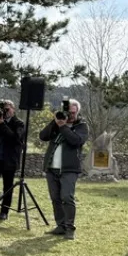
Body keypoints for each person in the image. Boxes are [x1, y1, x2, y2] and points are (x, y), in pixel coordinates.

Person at [40, 99, 88, 240]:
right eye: (69, 112)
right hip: (52, 167)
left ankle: (69, 228)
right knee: (55, 198)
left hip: (69, 169)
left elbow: (76, 141)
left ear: (77, 112)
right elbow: (43, 136)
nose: (71, 115)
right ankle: (60, 225)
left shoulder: (81, 126)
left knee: (67, 197)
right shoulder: (56, 124)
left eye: (73, 112)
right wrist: (55, 122)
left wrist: (63, 127)